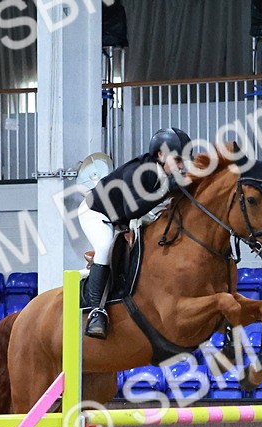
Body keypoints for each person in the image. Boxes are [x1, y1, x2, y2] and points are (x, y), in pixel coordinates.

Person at [77, 127, 193, 339]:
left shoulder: (162, 174)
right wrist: (166, 190)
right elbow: (131, 210)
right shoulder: (141, 171)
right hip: (96, 213)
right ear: (160, 155)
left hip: (123, 218)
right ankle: (97, 311)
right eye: (177, 160)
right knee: (104, 246)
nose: (182, 166)